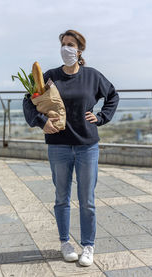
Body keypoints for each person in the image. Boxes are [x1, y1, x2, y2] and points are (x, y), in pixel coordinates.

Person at [23, 29, 119, 266]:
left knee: (87, 199)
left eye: (70, 45)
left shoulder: (92, 76)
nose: (66, 48)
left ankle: (88, 246)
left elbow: (113, 96)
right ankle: (65, 242)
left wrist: (102, 116)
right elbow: (28, 100)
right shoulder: (50, 76)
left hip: (87, 146)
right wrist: (41, 122)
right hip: (58, 146)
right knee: (61, 197)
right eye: (63, 44)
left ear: (79, 50)